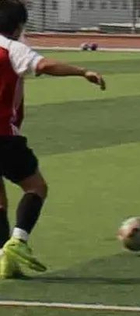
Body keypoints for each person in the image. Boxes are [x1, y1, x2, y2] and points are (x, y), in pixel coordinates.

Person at [0, 0, 106, 279]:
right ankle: (18, 241)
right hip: (3, 137)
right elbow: (44, 65)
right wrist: (83, 71)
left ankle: (4, 260)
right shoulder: (12, 49)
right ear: (19, 27)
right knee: (36, 187)